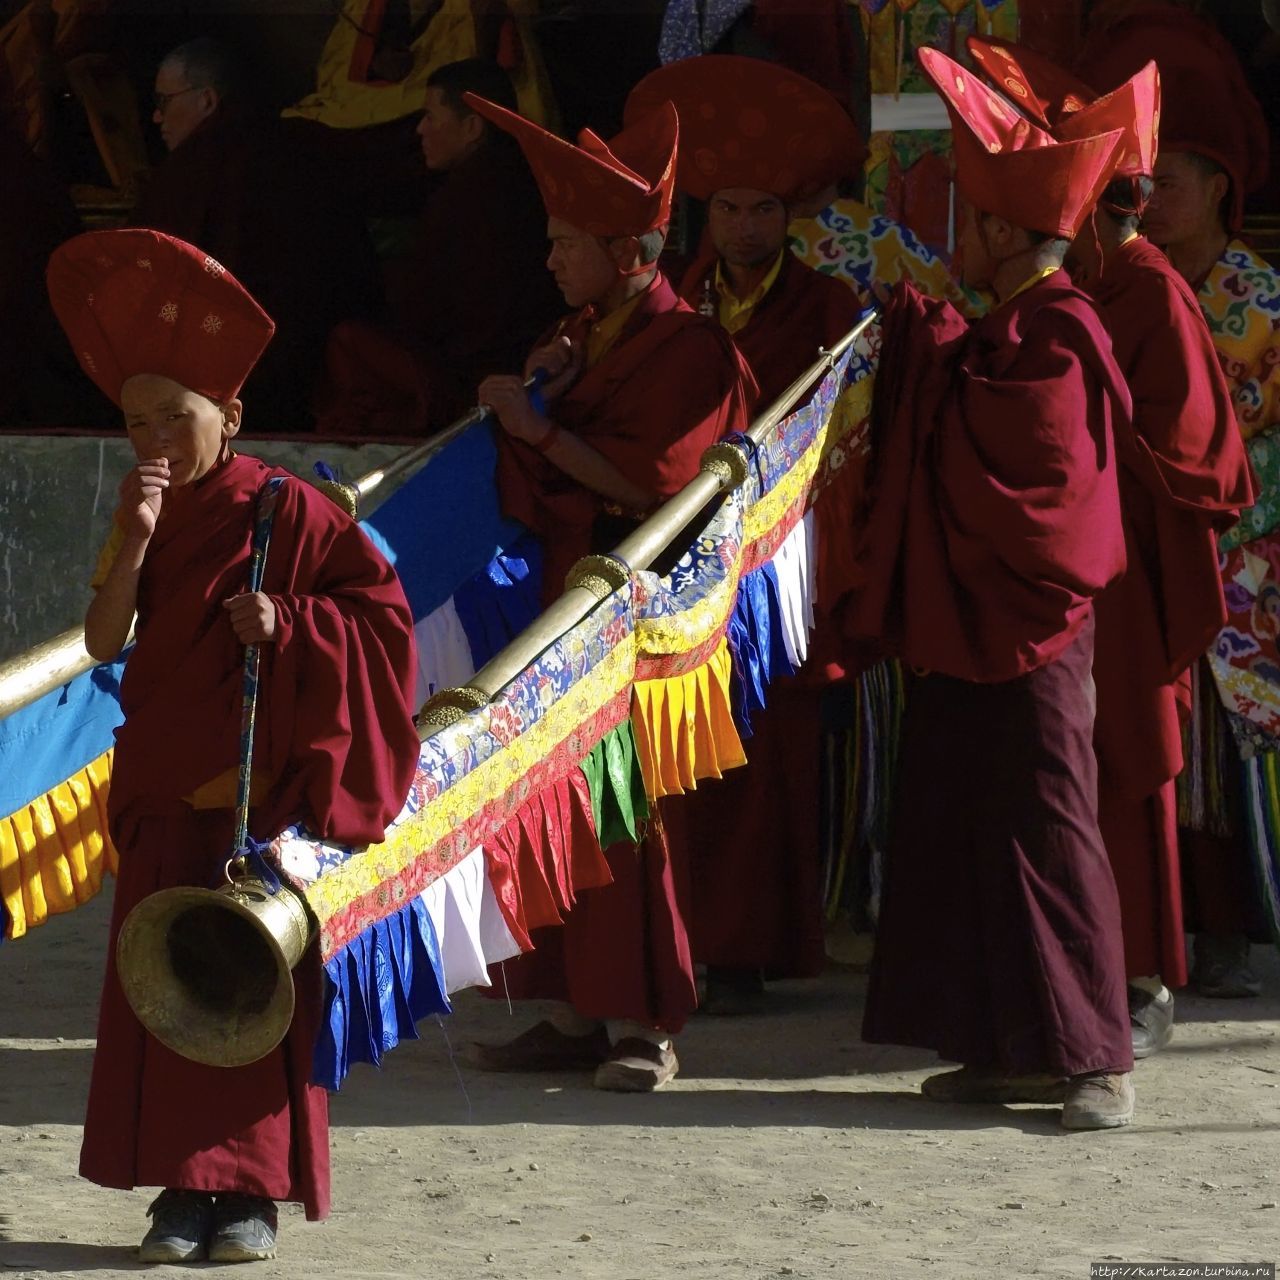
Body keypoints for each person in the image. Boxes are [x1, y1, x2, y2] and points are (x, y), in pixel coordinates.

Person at [46, 228, 420, 1262]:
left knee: (254, 989)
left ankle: (250, 1192)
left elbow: (380, 616)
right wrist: (136, 538)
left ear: (234, 416)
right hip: (170, 786)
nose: (158, 438)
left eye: (179, 416)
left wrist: (294, 623)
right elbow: (104, 638)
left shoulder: (286, 509)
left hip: (258, 797)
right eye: (135, 422)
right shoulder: (145, 508)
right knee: (165, 991)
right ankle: (177, 1194)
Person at [849, 47, 1137, 1130]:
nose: (954, 234)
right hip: (967, 623)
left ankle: (1091, 1056)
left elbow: (1040, 487)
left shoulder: (1059, 333)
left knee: (1050, 827)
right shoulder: (1005, 328)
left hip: (1029, 628)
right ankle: (999, 1041)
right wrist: (931, 354)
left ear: (1013, 233)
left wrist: (939, 371)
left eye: (969, 216)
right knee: (959, 820)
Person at [969, 43, 1255, 1059]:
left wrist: (1092, 447)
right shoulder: (1093, 289)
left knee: (1125, 769)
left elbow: (1199, 458)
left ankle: (1137, 973)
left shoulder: (1148, 293)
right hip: (1086, 562)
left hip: (1128, 571)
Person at [465, 93, 755, 1090]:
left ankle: (642, 1019)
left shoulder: (691, 350)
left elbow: (653, 486)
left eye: (566, 242)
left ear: (631, 251)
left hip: (630, 613)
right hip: (555, 602)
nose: (550, 259)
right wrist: (541, 388)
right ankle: (566, 1003)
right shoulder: (584, 334)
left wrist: (540, 429)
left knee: (623, 804)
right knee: (550, 799)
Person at [622, 54, 863, 1009]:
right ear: (704, 218)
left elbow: (844, 441)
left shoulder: (828, 310)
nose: (746, 227)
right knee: (684, 753)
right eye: (729, 211)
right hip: (681, 562)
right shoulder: (674, 311)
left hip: (776, 562)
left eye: (763, 211)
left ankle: (748, 950)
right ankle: (682, 941)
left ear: (789, 218)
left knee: (764, 760)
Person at [1092, 13, 1277, 999]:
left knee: (1230, 741)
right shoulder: (1121, 287)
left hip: (1249, 562)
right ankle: (1178, 919)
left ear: (1218, 189)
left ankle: (1234, 925)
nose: (1150, 201)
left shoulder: (1262, 302)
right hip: (1153, 549)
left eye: (1169, 182)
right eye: (1138, 183)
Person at [135, 37, 381, 430]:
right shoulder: (306, 149)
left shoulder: (186, 175)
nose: (157, 117)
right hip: (318, 380)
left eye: (164, 101)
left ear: (207, 100)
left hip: (215, 391)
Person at [316, 58, 562, 437]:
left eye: (431, 117)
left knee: (347, 341)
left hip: (476, 375)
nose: (420, 130)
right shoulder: (529, 179)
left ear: (472, 127)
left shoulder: (468, 197)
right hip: (518, 363)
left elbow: (427, 308)